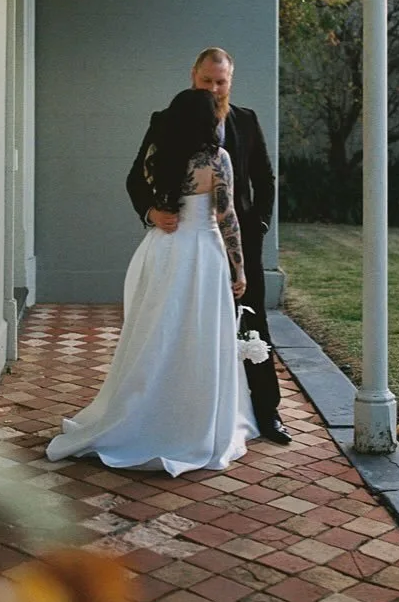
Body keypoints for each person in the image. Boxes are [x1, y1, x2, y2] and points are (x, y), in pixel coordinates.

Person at [46, 88, 257, 475]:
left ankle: (142, 413)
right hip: (202, 255)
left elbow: (152, 195)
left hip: (161, 251)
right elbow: (227, 218)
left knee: (155, 334)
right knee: (197, 335)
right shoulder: (216, 160)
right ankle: (190, 423)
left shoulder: (159, 156)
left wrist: (153, 211)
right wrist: (239, 269)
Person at [126, 47, 291, 444]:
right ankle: (181, 410)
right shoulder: (166, 121)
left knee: (253, 322)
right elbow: (136, 176)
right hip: (185, 240)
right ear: (193, 76)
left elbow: (265, 179)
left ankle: (267, 412)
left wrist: (261, 226)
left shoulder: (246, 121)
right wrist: (151, 211)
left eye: (222, 82)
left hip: (240, 242)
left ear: (230, 82)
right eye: (207, 81)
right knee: (182, 323)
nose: (214, 89)